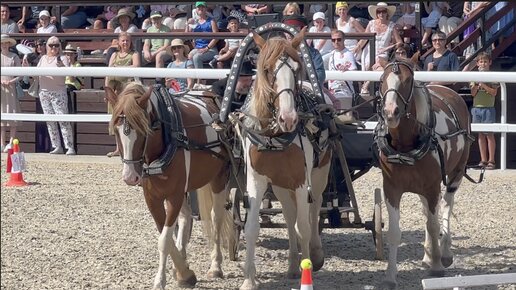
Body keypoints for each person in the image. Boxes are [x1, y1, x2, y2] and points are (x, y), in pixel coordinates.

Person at [36, 36, 75, 155]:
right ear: (47, 46)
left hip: (58, 92)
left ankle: (69, 147)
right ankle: (56, 146)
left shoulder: (63, 58)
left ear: (60, 47)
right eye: (51, 45)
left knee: (63, 120)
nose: (54, 47)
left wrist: (62, 67)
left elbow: (69, 74)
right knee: (50, 120)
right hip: (44, 92)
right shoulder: (42, 58)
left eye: (56, 45)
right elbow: (35, 74)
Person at [105, 32, 140, 157]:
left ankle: (127, 149)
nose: (125, 43)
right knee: (116, 120)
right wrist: (107, 90)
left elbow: (136, 66)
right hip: (115, 91)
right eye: (123, 41)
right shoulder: (114, 55)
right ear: (119, 42)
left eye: (127, 41)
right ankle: (118, 148)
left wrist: (119, 69)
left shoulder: (134, 54)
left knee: (128, 120)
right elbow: (108, 73)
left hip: (128, 90)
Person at [356, 2, 402, 96]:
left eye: (383, 11)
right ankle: (367, 87)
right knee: (370, 62)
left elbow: (400, 42)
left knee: (379, 64)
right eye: (379, 11)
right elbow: (364, 38)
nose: (381, 14)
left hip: (383, 53)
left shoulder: (391, 25)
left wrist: (387, 48)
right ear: (377, 13)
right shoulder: (371, 23)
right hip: (370, 50)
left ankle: (366, 86)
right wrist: (357, 47)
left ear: (387, 13)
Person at [470, 52, 499, 170]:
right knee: (480, 135)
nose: (483, 64)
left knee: (489, 134)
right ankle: (483, 160)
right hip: (476, 108)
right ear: (477, 64)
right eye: (481, 61)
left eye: (485, 61)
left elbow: (494, 92)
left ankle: (492, 160)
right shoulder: (473, 77)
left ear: (490, 63)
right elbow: (473, 93)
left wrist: (484, 84)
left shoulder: (493, 76)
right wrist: (477, 85)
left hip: (488, 108)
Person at [282, 14, 326, 89]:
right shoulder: (279, 53)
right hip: (284, 90)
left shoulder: (314, 54)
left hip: (308, 90)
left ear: (302, 31)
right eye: (287, 29)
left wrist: (306, 86)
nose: (290, 33)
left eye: (295, 28)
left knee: (331, 100)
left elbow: (320, 75)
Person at [187, 2, 219, 84]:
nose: (200, 9)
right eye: (198, 7)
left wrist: (207, 48)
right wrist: (187, 24)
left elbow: (216, 37)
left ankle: (200, 82)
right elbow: (187, 35)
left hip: (211, 49)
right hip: (198, 48)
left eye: (202, 7)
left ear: (206, 8)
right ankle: (190, 82)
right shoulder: (195, 22)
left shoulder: (211, 21)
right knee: (189, 56)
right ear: (196, 10)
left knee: (196, 57)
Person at [327, 29, 358, 110]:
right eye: (333, 40)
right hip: (332, 93)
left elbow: (354, 72)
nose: (336, 42)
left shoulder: (348, 54)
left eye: (339, 39)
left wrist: (347, 70)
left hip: (345, 92)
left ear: (343, 40)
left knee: (345, 119)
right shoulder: (331, 54)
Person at [1, 34, 21, 152]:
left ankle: (11, 142)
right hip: (1, 88)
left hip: (11, 87)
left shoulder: (14, 57)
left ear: (9, 44)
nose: (4, 45)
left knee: (13, 113)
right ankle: (2, 143)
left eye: (6, 42)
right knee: (2, 113)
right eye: (2, 43)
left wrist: (11, 81)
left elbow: (20, 74)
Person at [63, 44, 82, 114]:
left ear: (75, 55)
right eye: (67, 55)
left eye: (71, 55)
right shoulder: (65, 65)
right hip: (65, 85)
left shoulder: (77, 65)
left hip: (73, 85)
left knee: (67, 88)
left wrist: (66, 68)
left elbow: (72, 80)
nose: (69, 57)